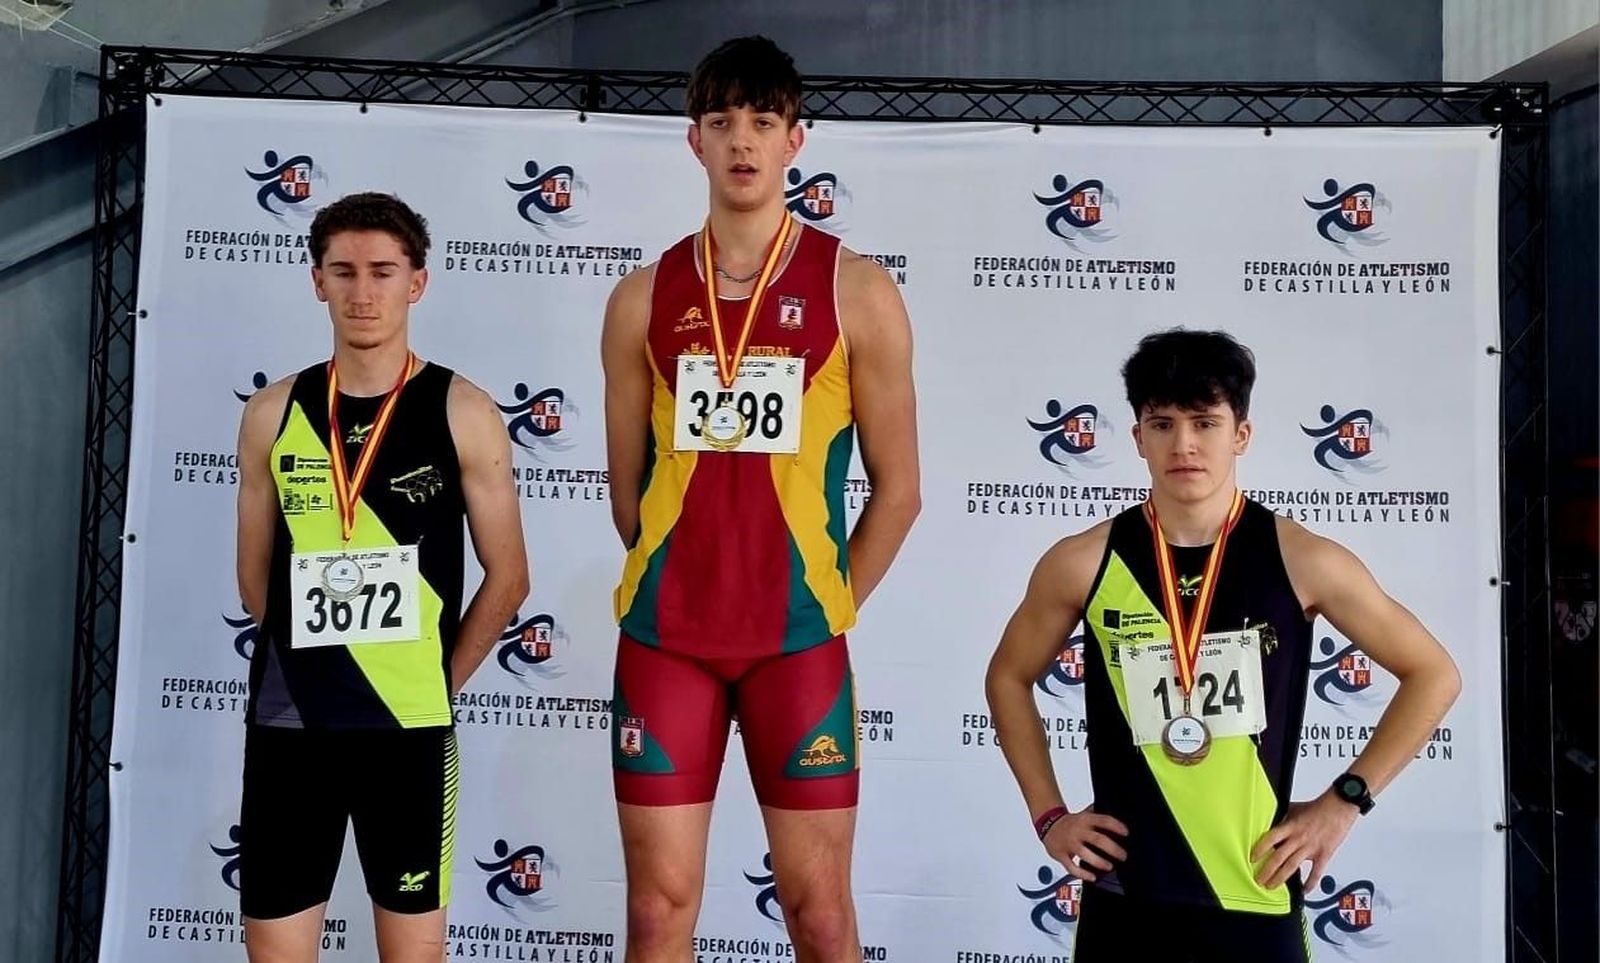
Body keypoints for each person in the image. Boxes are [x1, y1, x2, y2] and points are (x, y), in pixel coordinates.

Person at [985, 328, 1460, 962]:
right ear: (1137, 439)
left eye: (1205, 423)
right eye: (1162, 424)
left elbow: (1434, 674)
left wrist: (1344, 803)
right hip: (1128, 893)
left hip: (1253, 888)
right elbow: (1008, 677)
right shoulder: (1082, 562)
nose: (1184, 444)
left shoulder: (1304, 560)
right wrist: (1050, 816)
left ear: (1241, 434)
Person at [599, 35, 921, 963]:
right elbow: (629, 494)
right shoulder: (640, 297)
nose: (742, 141)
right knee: (659, 914)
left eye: (763, 122)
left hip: (798, 648)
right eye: (722, 121)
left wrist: (824, 597)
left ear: (796, 140)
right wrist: (692, 570)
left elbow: (899, 492)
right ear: (693, 142)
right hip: (668, 642)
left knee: (819, 916)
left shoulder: (856, 289)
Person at [234, 192, 528, 962]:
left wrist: (435, 679)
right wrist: (314, 663)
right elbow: (253, 577)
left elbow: (510, 576)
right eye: (345, 271)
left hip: (408, 729)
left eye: (383, 272)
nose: (363, 292)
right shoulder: (272, 411)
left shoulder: (463, 410)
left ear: (417, 283)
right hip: (291, 723)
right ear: (317, 281)